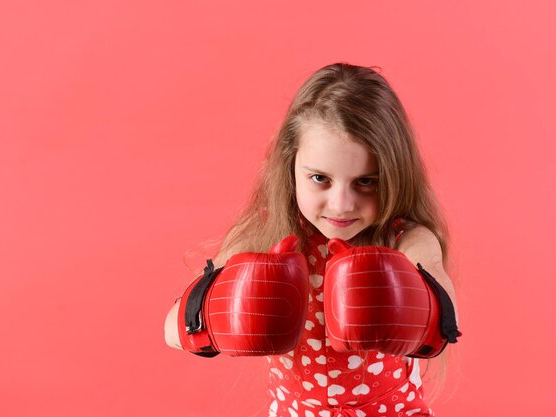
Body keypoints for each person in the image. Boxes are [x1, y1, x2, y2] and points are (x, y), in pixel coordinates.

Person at [164, 63, 461, 417]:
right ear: (290, 166)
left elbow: (446, 320)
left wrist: (410, 294)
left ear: (395, 174)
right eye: (320, 178)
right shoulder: (264, 236)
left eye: (366, 181)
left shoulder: (405, 239)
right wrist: (217, 313)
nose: (341, 204)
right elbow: (172, 330)